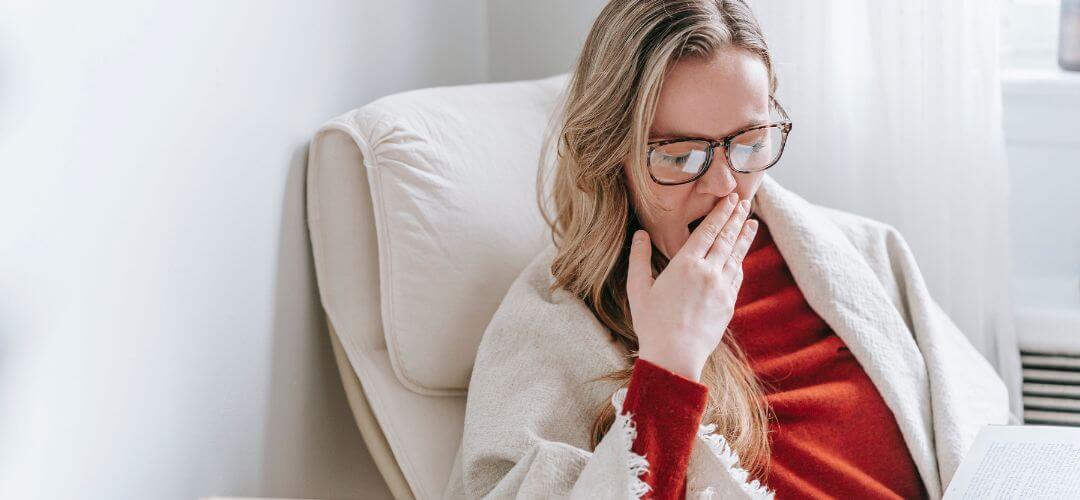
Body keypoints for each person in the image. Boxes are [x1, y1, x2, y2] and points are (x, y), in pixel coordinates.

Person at [443, 1, 1010, 498]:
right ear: (608, 152)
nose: (724, 186)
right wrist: (669, 361)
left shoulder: (865, 252)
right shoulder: (551, 321)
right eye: (680, 155)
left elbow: (986, 430)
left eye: (749, 143)